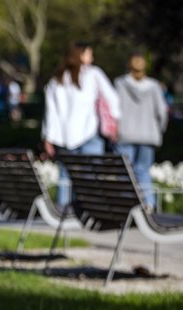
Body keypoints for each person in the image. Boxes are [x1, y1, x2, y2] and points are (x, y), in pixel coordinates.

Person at [42, 41, 121, 206]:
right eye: (89, 54)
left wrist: (48, 137)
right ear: (80, 55)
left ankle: (63, 211)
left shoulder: (57, 79)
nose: (92, 58)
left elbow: (51, 112)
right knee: (90, 175)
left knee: (65, 175)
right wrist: (116, 122)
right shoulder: (93, 74)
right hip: (89, 132)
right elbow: (113, 99)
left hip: (63, 136)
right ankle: (91, 208)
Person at [114, 52, 169, 208]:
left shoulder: (120, 83)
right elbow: (162, 111)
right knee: (143, 171)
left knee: (126, 172)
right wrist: (158, 130)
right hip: (148, 135)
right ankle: (148, 204)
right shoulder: (154, 86)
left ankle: (126, 205)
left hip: (125, 134)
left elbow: (114, 108)